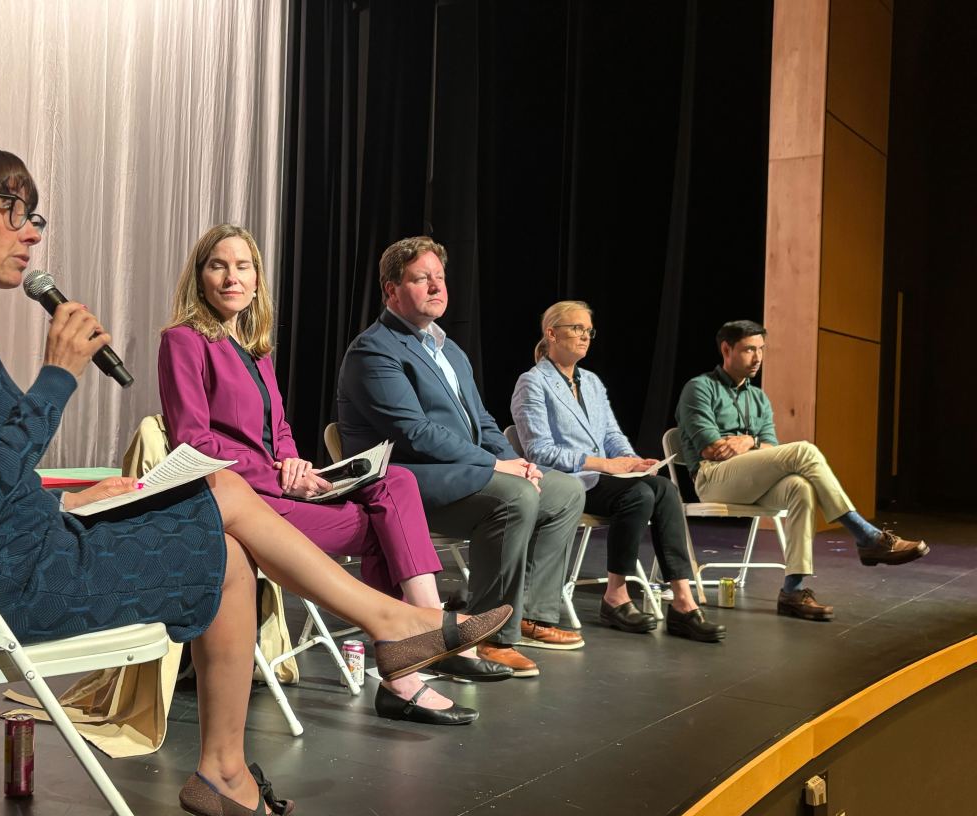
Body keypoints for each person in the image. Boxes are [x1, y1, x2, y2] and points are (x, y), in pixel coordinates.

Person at [0, 143, 511, 816]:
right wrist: (58, 375)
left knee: (226, 544)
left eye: (35, 216)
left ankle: (230, 765)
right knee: (225, 500)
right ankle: (387, 630)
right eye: (13, 208)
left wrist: (69, 500)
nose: (31, 231)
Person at [158, 225, 513, 727]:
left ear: (257, 281)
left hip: (277, 487)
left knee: (397, 483)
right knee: (384, 532)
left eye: (243, 267)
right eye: (218, 265)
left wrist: (293, 462)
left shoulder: (256, 351)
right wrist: (279, 475)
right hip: (238, 502)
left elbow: (277, 429)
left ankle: (424, 629)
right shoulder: (184, 340)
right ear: (200, 277)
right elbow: (193, 441)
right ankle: (414, 661)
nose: (231, 277)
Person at [337, 236, 587, 678]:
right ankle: (486, 637)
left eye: (440, 277)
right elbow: (414, 433)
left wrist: (516, 461)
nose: (436, 287)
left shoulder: (449, 349)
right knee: (513, 497)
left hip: (460, 473)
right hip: (406, 480)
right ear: (391, 290)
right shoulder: (374, 349)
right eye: (421, 279)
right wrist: (495, 466)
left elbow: (483, 422)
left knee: (564, 490)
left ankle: (529, 613)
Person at [675, 319, 929, 621]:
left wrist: (748, 442)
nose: (757, 358)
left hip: (751, 479)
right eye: (748, 350)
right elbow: (712, 449)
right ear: (726, 349)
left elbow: (770, 447)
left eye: (761, 350)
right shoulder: (700, 388)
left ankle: (793, 591)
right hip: (713, 478)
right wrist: (752, 446)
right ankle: (866, 536)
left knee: (801, 487)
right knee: (804, 451)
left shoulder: (758, 398)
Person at [510, 302, 724, 642]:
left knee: (662, 488)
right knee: (637, 496)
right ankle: (616, 595)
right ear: (551, 333)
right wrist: (606, 464)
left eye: (588, 330)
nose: (584, 336)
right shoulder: (532, 383)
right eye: (576, 328)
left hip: (606, 480)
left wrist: (631, 459)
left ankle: (683, 601)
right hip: (568, 484)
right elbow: (540, 451)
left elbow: (611, 434)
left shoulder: (591, 382)